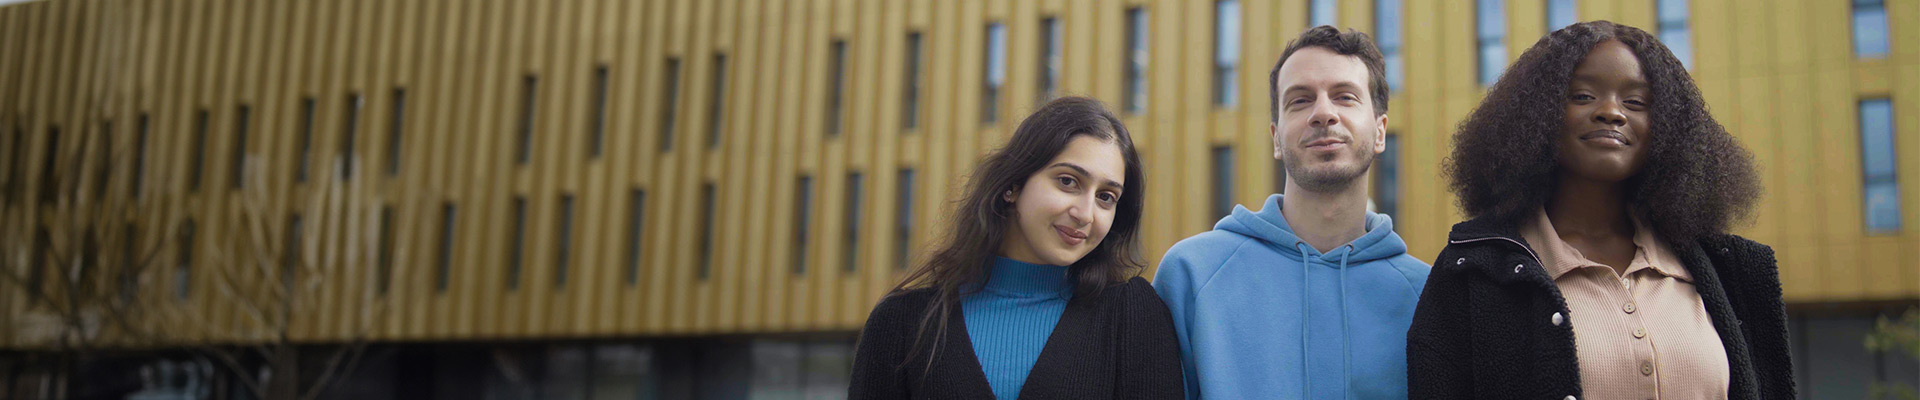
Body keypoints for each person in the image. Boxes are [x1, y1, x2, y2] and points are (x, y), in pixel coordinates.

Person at [1408, 21, 1792, 400]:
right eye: (1583, 96)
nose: (1611, 112)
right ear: (1536, 117)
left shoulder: (1734, 271)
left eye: (1636, 102)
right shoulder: (1472, 272)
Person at [1152, 26, 1431, 399]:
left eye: (1345, 97)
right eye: (1299, 101)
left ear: (1380, 132)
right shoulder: (1192, 273)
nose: (1323, 113)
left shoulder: (1427, 295)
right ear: (1276, 139)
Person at [848, 96, 1182, 399]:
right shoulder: (902, 322)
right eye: (1068, 181)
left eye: (1105, 197)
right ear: (1012, 185)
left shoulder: (1131, 316)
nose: (1085, 214)